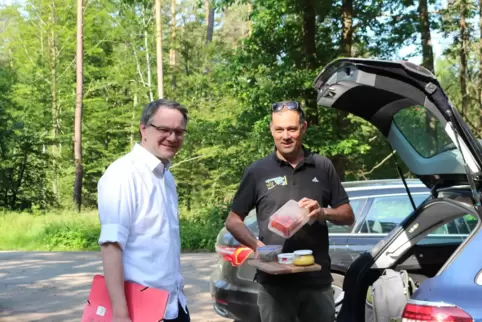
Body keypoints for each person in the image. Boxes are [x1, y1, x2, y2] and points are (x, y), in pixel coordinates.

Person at [225, 101, 355, 322]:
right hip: (274, 284)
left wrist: (323, 212)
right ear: (271, 130)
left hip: (317, 281)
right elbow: (233, 221)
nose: (286, 136)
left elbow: (348, 216)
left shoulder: (322, 166)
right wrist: (257, 246)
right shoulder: (258, 171)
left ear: (303, 128)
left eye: (292, 129)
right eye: (279, 129)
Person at [96, 99, 191, 322]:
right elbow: (111, 246)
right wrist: (120, 313)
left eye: (179, 131)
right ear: (143, 129)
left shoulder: (166, 176)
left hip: (173, 305)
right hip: (139, 310)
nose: (172, 137)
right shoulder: (123, 174)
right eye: (164, 129)